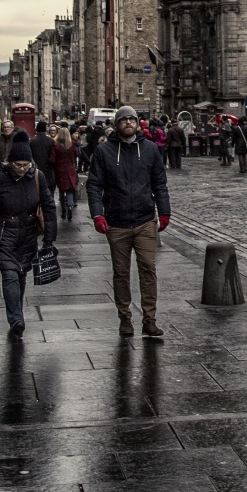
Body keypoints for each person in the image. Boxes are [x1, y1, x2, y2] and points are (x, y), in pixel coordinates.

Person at [86, 105, 171, 339]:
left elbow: (159, 184)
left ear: (138, 123)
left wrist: (164, 212)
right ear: (117, 124)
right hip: (117, 221)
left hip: (145, 219)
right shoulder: (104, 152)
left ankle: (149, 319)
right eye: (124, 120)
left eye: (132, 119)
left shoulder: (150, 150)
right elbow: (94, 185)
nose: (128, 123)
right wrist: (97, 214)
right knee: (121, 272)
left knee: (148, 269)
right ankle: (124, 317)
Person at [0, 132, 58, 337]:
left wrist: (50, 236)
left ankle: (17, 313)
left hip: (27, 234)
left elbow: (48, 205)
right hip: (2, 234)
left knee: (21, 275)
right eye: (18, 165)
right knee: (10, 274)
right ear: (10, 162)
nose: (22, 169)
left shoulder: (37, 177)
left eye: (26, 165)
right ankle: (16, 318)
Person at [50, 125, 79, 221]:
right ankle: (70, 206)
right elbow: (75, 156)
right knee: (70, 190)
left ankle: (63, 210)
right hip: (70, 169)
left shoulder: (56, 145)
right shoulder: (72, 144)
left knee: (62, 191)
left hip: (60, 170)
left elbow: (52, 160)